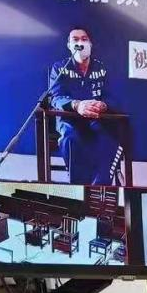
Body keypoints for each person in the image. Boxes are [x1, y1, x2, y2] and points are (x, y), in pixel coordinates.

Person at [48, 28, 120, 185]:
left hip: (97, 119)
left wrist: (103, 105)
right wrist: (77, 105)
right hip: (70, 119)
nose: (80, 43)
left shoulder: (102, 68)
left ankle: (100, 185)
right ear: (69, 45)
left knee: (109, 136)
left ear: (90, 44)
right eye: (75, 39)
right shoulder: (59, 68)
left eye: (84, 39)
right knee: (70, 138)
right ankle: (79, 186)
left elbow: (113, 96)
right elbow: (56, 98)